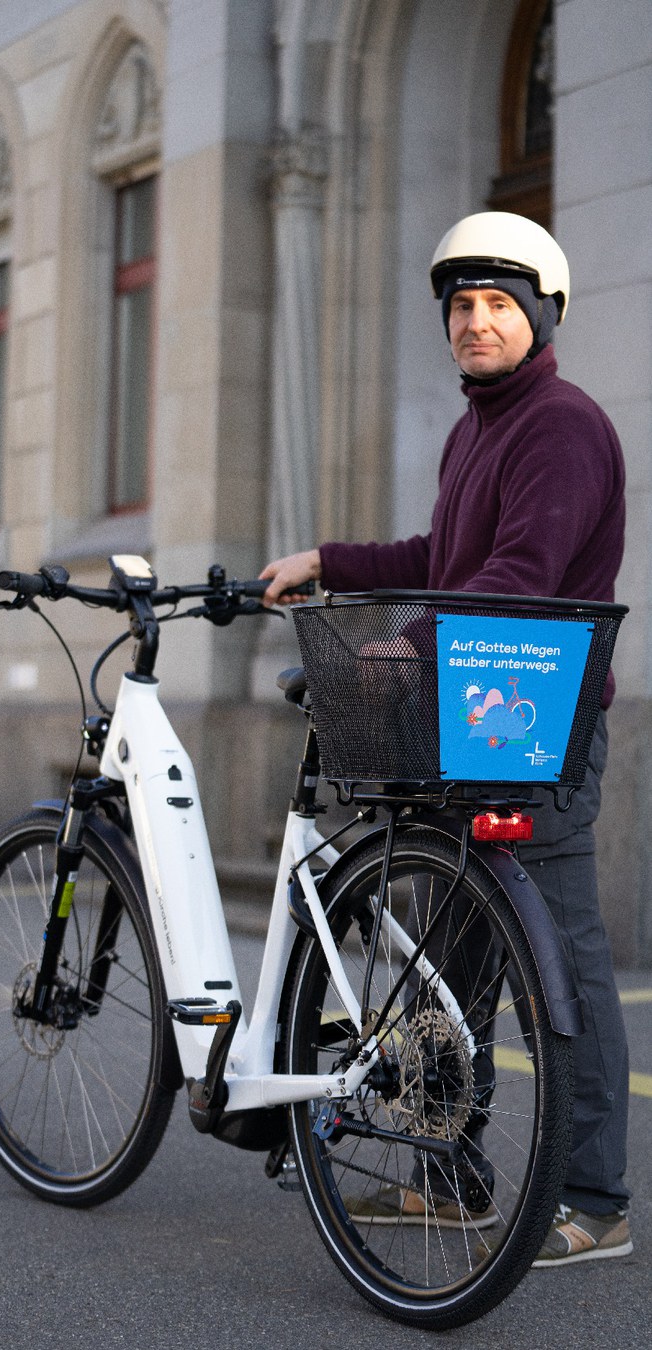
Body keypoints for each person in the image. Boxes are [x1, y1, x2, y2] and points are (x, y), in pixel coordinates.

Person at [261, 210, 632, 1266]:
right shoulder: (478, 428)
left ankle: (596, 1197)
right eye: (461, 307)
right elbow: (444, 550)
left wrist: (405, 645)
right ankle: (452, 1175)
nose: (475, 323)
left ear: (540, 316)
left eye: (497, 306)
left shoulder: (560, 425)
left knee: (563, 959)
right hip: (469, 717)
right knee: (452, 965)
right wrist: (330, 558)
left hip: (536, 727)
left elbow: (521, 574)